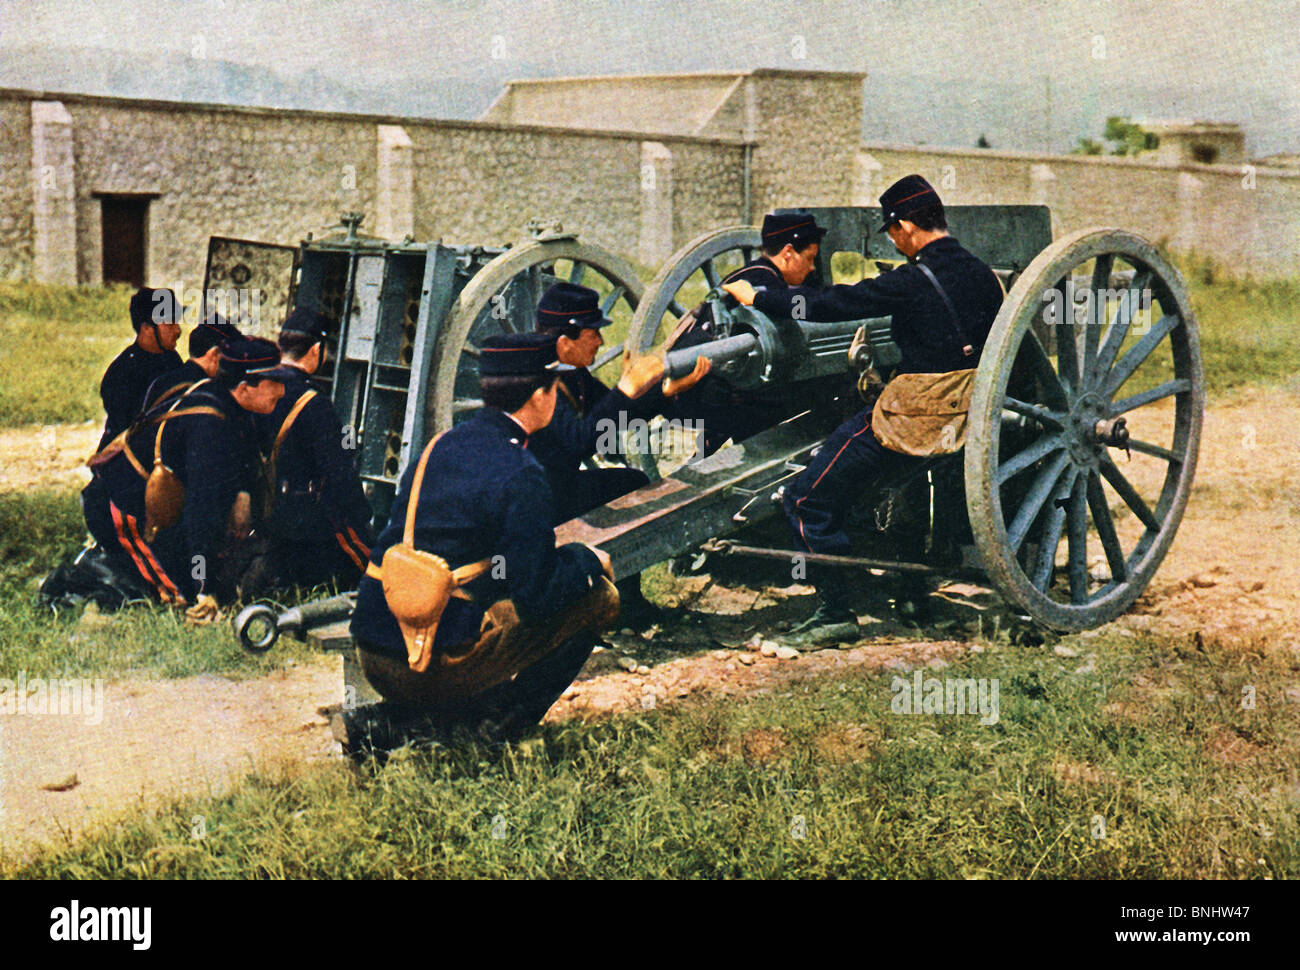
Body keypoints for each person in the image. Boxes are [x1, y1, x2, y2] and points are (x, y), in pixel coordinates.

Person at [724, 175, 1004, 645]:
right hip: (966, 412)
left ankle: (835, 612)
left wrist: (762, 298)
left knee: (805, 498)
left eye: (893, 233)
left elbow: (836, 303)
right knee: (903, 483)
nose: (894, 243)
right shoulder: (984, 275)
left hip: (915, 416)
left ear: (907, 228)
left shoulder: (912, 280)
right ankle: (912, 592)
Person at [342, 332, 620, 753]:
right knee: (597, 599)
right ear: (540, 395)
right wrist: (587, 560)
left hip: (374, 649)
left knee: (486, 605)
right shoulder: (522, 470)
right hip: (425, 663)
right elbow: (538, 596)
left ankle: (399, 723)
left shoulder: (438, 445)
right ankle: (493, 728)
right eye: (555, 389)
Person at [527, 282, 709, 626]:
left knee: (631, 483)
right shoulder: (537, 382)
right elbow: (581, 441)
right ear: (567, 340)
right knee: (627, 484)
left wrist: (665, 390)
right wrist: (626, 388)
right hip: (528, 505)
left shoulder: (571, 375)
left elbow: (614, 418)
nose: (601, 341)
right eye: (593, 333)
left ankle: (625, 602)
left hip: (554, 489)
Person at [82, 338, 296, 622]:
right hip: (121, 507)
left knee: (209, 581)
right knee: (181, 600)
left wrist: (243, 494)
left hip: (165, 510)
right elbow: (201, 510)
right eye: (274, 383)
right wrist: (203, 589)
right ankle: (90, 573)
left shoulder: (228, 402)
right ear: (245, 388)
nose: (282, 391)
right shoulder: (210, 426)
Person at [669, 212, 827, 453]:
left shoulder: (753, 274)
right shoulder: (767, 285)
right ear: (787, 253)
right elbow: (802, 311)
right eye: (809, 258)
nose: (812, 267)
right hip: (710, 396)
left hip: (696, 391)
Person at [243, 307, 374, 594]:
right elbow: (339, 474)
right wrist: (363, 515)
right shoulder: (314, 403)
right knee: (371, 565)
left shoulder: (256, 386)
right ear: (316, 350)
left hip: (258, 513)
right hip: (302, 522)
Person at [95, 287, 186, 451]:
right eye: (170, 323)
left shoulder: (172, 360)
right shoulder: (121, 373)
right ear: (146, 328)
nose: (178, 330)